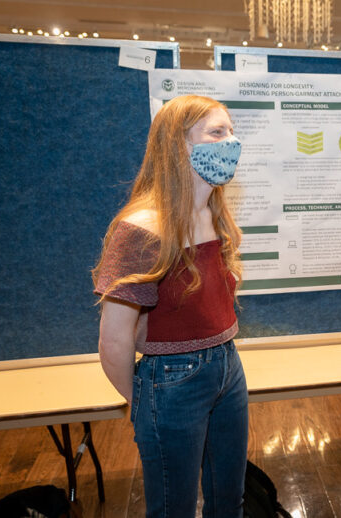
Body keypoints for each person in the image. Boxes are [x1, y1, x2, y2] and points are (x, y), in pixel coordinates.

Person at [92, 95, 248, 518]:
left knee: (228, 501)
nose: (231, 142)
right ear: (178, 145)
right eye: (218, 133)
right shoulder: (141, 228)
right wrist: (144, 402)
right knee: (173, 509)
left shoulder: (214, 214)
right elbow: (115, 339)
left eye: (231, 131)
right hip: (172, 378)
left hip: (228, 367)